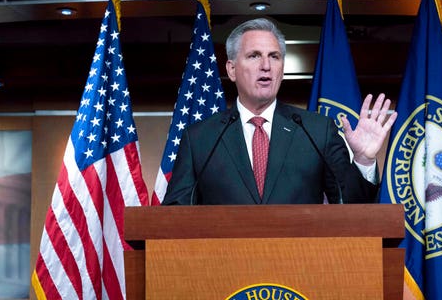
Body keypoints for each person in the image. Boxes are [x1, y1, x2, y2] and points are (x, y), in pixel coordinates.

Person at [162, 18, 397, 205]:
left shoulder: (317, 131)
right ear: (232, 70)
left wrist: (364, 159)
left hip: (300, 262)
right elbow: (175, 216)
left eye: (274, 57)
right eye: (254, 56)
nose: (266, 65)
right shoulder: (201, 138)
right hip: (222, 263)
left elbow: (354, 208)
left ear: (282, 69)